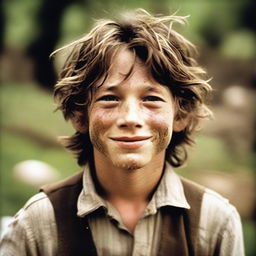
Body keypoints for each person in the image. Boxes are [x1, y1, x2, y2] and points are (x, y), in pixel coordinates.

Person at [0, 9, 244, 256]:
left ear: (179, 114)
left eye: (150, 98)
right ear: (80, 115)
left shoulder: (215, 223)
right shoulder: (38, 224)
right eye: (109, 98)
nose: (130, 118)